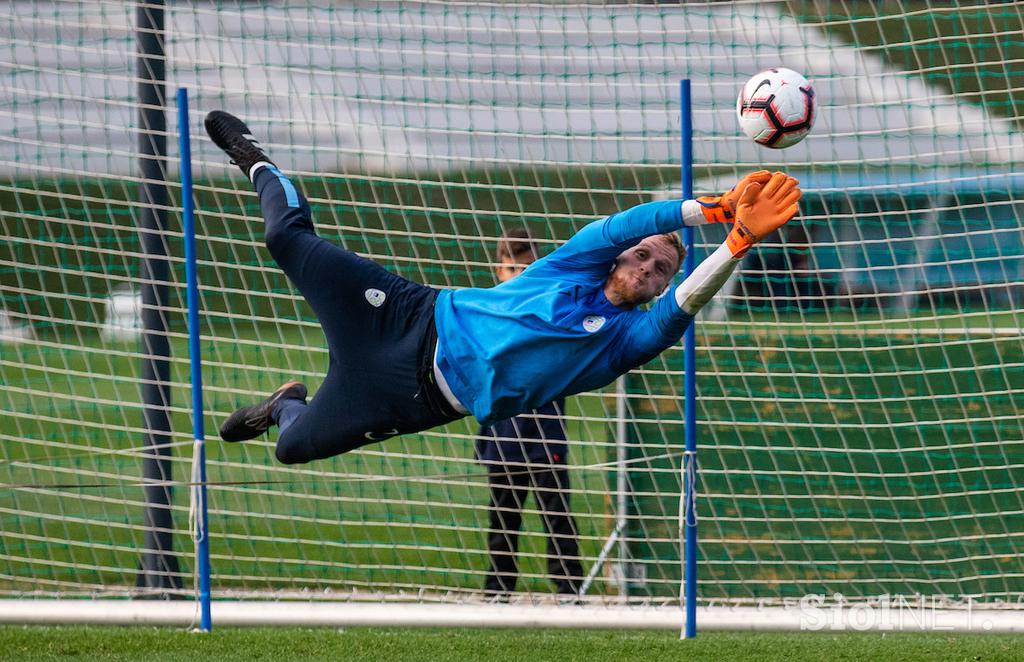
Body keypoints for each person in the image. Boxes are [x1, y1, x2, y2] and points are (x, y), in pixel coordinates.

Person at [204, 110, 801, 466]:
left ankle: (284, 406)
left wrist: (738, 242)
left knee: (293, 448)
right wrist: (716, 209)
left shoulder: (625, 340)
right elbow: (625, 225)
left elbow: (682, 308)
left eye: (660, 270)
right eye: (644, 256)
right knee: (285, 239)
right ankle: (256, 160)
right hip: (410, 318)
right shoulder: (572, 265)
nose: (647, 266)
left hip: (413, 400)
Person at [475, 229, 581, 598]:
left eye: (526, 266)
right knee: (502, 521)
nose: (519, 274)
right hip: (502, 439)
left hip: (544, 437)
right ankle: (497, 591)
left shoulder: (552, 310)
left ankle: (569, 592)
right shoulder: (485, 311)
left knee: (558, 520)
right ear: (498, 271)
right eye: (511, 267)